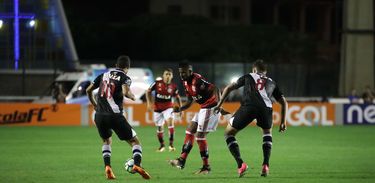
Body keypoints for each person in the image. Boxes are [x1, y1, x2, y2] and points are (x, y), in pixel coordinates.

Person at [213, 59, 288, 177]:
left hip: (249, 106)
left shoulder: (249, 76)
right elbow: (284, 102)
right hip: (266, 108)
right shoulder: (272, 82)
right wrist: (283, 122)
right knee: (267, 132)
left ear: (254, 70)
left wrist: (219, 104)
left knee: (229, 133)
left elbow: (228, 88)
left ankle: (240, 164)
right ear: (265, 72)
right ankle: (265, 165)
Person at [86, 55, 151, 180]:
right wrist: (132, 96)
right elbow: (126, 92)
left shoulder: (103, 75)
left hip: (99, 115)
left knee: (106, 141)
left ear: (116, 65)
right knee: (135, 141)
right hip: (115, 115)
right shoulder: (125, 77)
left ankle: (108, 167)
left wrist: (94, 104)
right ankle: (137, 165)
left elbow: (88, 90)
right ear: (127, 68)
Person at [169, 62, 226, 174]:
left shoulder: (197, 80)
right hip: (203, 108)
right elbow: (190, 101)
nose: (182, 75)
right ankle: (181, 160)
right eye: (180, 73)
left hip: (211, 108)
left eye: (184, 73)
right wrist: (180, 109)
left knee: (200, 137)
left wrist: (219, 104)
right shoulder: (185, 82)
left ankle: (206, 167)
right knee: (190, 130)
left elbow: (215, 88)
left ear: (190, 71)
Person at [146, 68, 182, 152]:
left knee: (170, 122)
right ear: (163, 75)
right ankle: (162, 146)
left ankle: (171, 145)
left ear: (172, 76)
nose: (168, 76)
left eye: (169, 74)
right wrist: (149, 103)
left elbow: (178, 97)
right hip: (157, 109)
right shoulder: (157, 83)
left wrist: (180, 109)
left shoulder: (174, 86)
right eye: (166, 74)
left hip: (168, 108)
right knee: (159, 128)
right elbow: (148, 91)